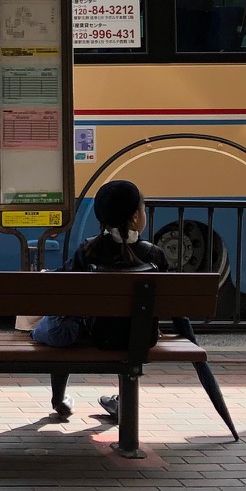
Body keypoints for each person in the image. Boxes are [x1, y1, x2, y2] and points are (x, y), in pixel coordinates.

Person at [33, 178, 167, 419]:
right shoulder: (155, 255)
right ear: (136, 218)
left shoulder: (88, 250)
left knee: (60, 322)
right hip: (140, 338)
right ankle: (122, 402)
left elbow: (62, 290)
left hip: (94, 335)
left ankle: (59, 398)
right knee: (128, 328)